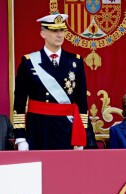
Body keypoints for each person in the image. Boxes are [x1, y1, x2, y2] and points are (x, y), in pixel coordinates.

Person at [13, 13, 89, 150]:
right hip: (38, 129)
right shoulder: (29, 62)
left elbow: (82, 101)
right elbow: (19, 102)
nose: (60, 35)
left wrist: (81, 133)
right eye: (54, 31)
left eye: (62, 30)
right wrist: (20, 137)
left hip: (66, 129)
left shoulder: (75, 61)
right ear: (43, 33)